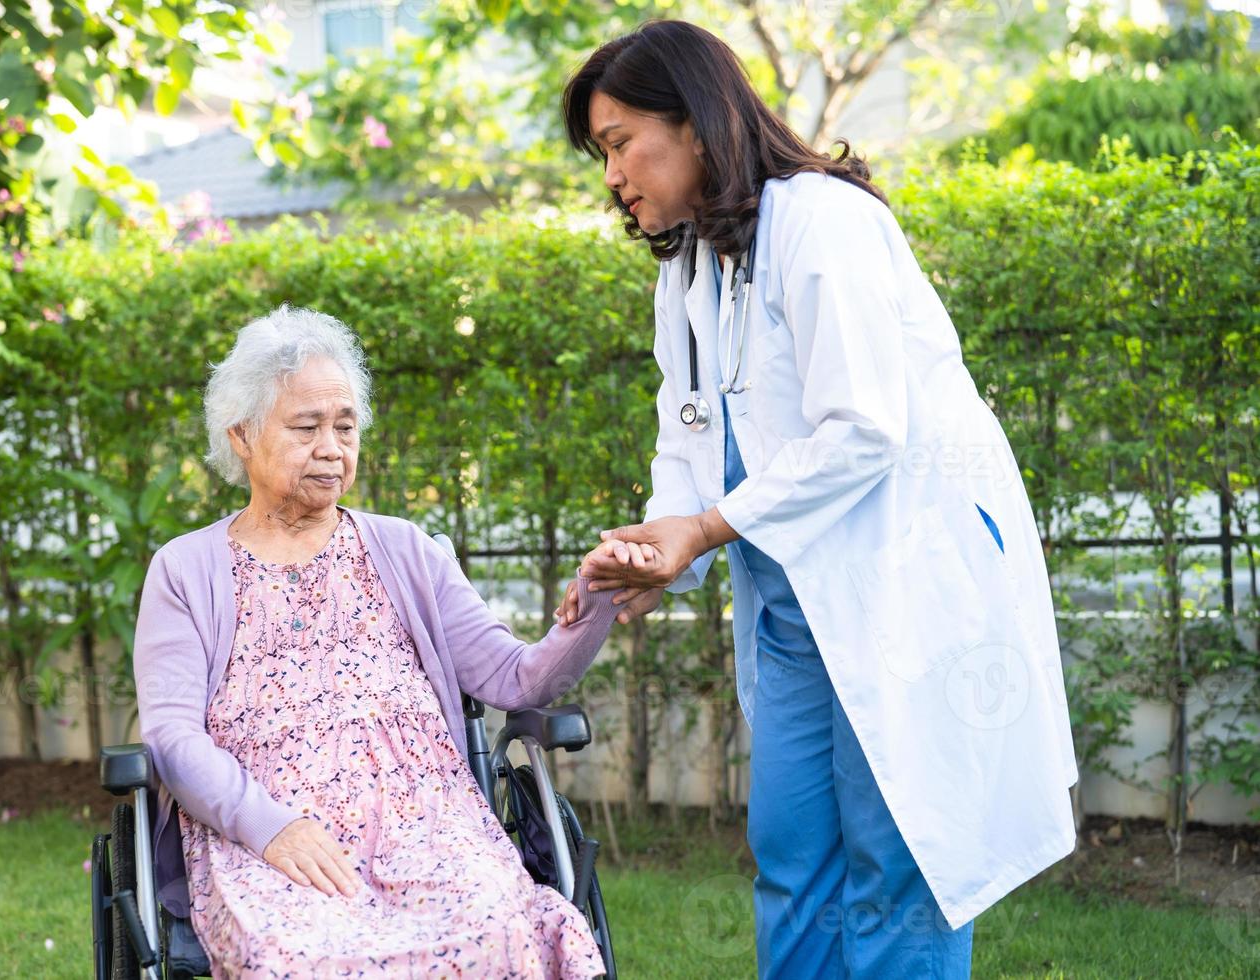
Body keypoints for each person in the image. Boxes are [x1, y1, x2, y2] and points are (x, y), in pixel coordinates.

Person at [553, 20, 1078, 979]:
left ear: (699, 124)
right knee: (792, 858)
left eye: (623, 142)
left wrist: (706, 527)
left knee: (896, 861)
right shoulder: (691, 268)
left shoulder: (821, 221)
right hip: (796, 606)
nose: (614, 174)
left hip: (899, 588)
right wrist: (656, 548)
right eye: (603, 154)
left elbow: (864, 426)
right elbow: (690, 439)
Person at [134, 305, 611, 978]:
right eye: (306, 427)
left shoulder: (406, 549)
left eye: (345, 425)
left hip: (432, 829)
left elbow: (517, 679)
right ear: (241, 436)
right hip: (267, 839)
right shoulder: (185, 571)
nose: (332, 447)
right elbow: (172, 737)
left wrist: (597, 600)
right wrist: (271, 829)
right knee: (293, 959)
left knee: (502, 926)